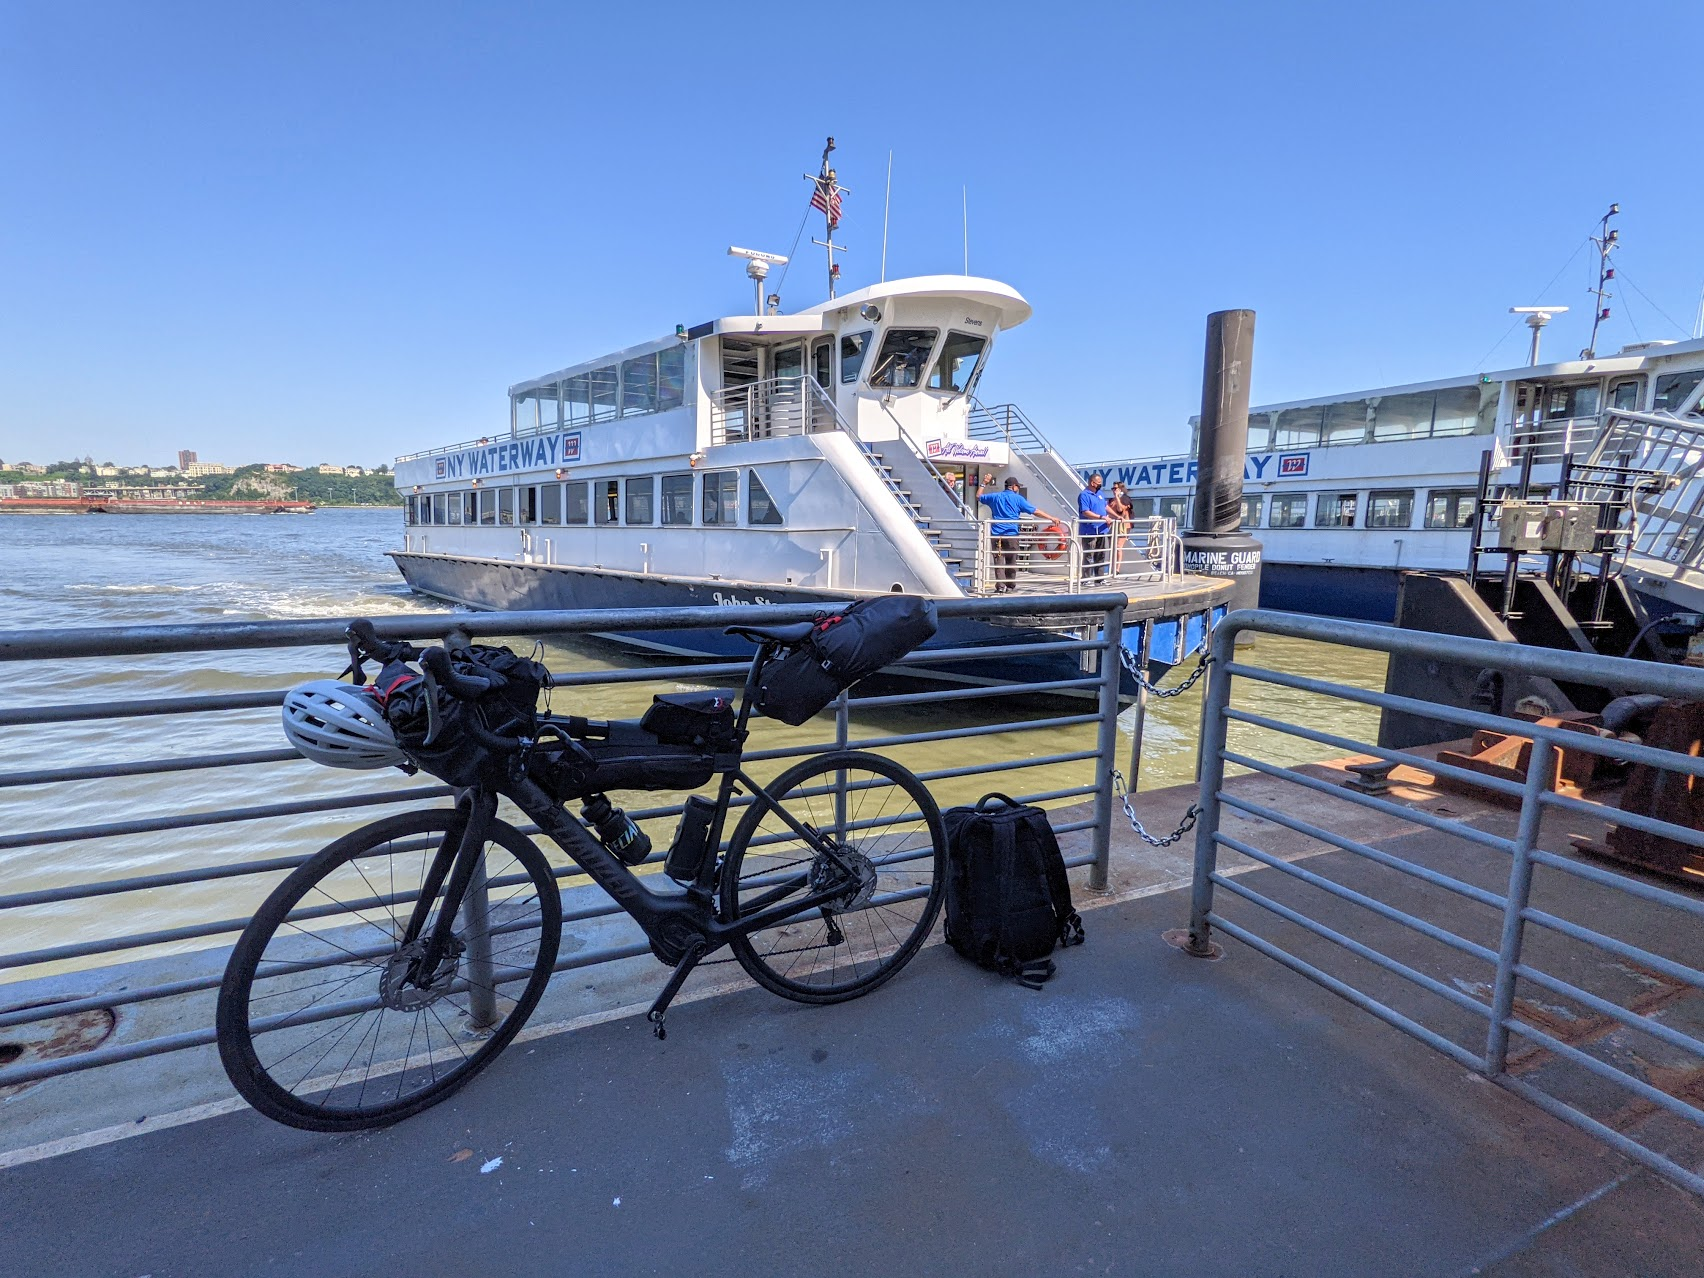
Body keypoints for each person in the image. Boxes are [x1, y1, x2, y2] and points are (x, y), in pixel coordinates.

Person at [978, 476, 1059, 593]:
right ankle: (1010, 586)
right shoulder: (1018, 499)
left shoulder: (995, 497)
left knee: (998, 562)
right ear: (1014, 487)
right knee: (1011, 561)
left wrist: (983, 483)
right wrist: (1051, 518)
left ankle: (1000, 587)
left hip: (996, 535)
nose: (1018, 488)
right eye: (1017, 486)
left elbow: (978, 496)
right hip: (1011, 534)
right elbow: (1035, 511)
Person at [1078, 473, 1111, 577]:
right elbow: (1085, 512)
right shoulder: (1084, 495)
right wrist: (1101, 517)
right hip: (1090, 530)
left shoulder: (1100, 493)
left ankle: (1100, 578)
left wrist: (1116, 516)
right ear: (1092, 483)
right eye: (1099, 483)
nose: (1100, 485)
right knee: (1089, 555)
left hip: (1102, 530)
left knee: (1101, 554)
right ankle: (1086, 579)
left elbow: (1106, 507)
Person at [1106, 480, 1133, 574]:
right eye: (1112, 488)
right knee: (1111, 547)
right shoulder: (1110, 500)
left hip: (1123, 526)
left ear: (1120, 489)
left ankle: (1117, 569)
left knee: (1118, 547)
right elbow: (1108, 511)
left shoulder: (1126, 499)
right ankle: (1111, 567)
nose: (1113, 490)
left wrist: (1117, 497)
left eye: (1115, 488)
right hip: (1112, 525)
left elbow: (1120, 509)